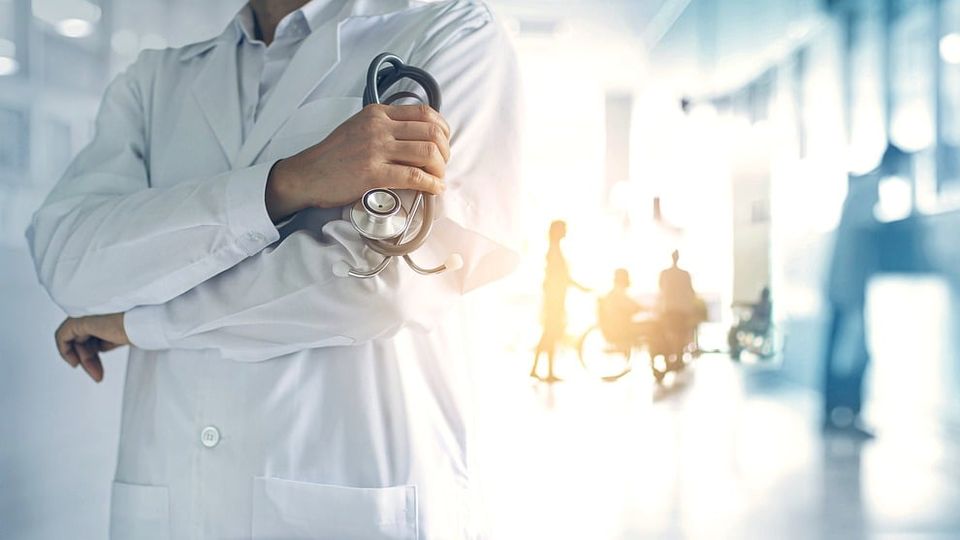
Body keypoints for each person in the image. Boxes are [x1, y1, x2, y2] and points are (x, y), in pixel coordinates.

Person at [26, 1, 520, 538]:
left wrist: (140, 323)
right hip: (170, 504)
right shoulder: (155, 80)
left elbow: (384, 286)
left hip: (351, 498)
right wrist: (286, 183)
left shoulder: (452, 31)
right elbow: (69, 260)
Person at [531, 220, 588, 383]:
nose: (566, 232)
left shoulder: (554, 250)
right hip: (554, 301)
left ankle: (540, 369)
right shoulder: (554, 251)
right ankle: (544, 371)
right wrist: (581, 288)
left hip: (554, 299)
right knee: (550, 334)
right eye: (564, 229)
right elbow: (561, 278)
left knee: (548, 335)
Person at [657, 250, 698, 354]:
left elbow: (661, 289)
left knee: (671, 332)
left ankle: (673, 353)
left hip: (669, 309)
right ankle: (677, 354)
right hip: (681, 309)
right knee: (680, 333)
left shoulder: (665, 273)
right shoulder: (685, 274)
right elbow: (691, 292)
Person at [597, 268, 648, 346]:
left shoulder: (611, 294)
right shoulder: (618, 294)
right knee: (653, 327)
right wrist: (642, 308)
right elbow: (631, 306)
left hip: (613, 328)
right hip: (621, 329)